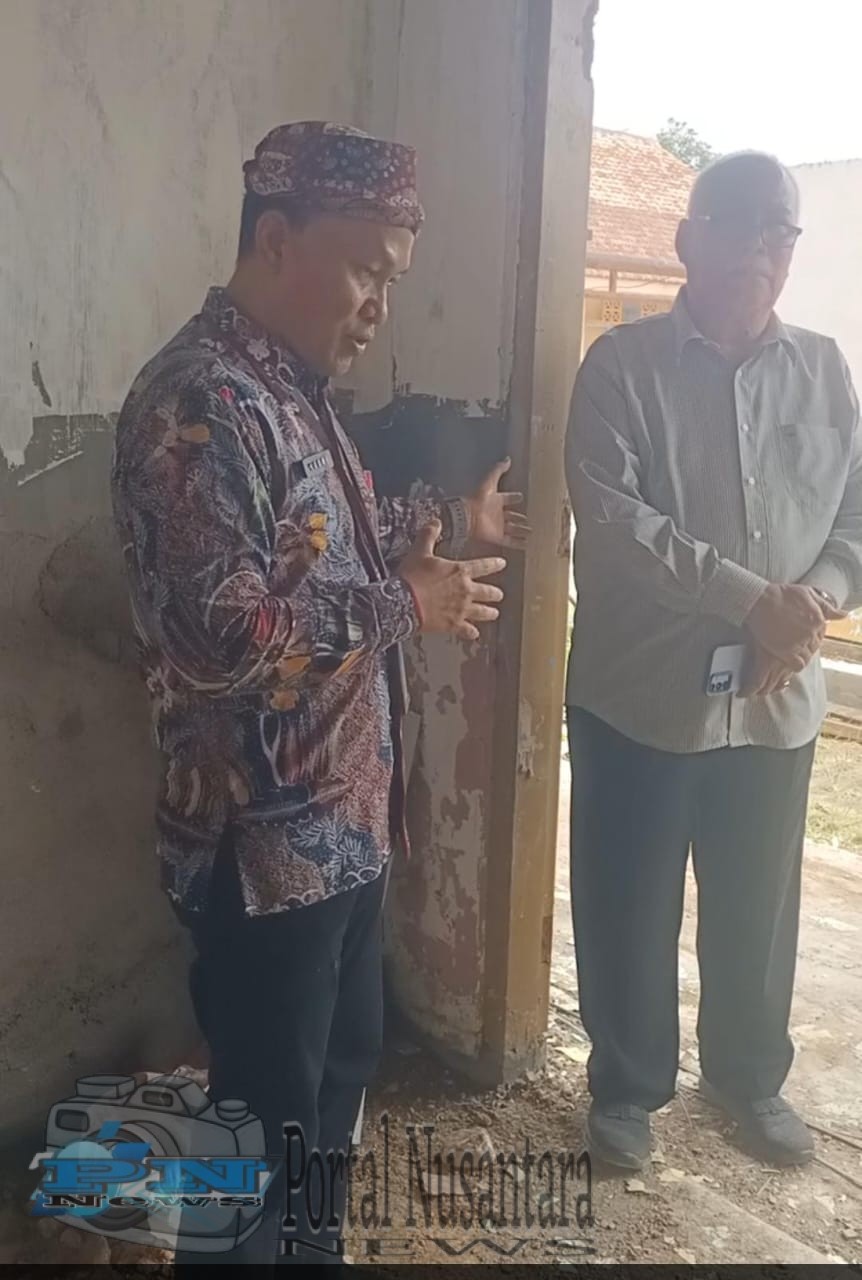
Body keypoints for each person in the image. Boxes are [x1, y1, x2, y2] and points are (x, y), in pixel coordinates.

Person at [111, 120, 528, 1265]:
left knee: (329, 1098)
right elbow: (223, 639)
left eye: (394, 279)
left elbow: (325, 548)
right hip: (261, 857)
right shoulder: (200, 405)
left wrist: (448, 524)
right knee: (258, 1136)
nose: (378, 306)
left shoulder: (291, 388)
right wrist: (408, 604)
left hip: (341, 836)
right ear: (276, 240)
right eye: (363, 270)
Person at [565, 151, 862, 1171]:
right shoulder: (620, 367)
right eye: (736, 223)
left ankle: (747, 1075)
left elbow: (854, 514)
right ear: (688, 237)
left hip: (776, 699)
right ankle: (626, 1086)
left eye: (778, 228)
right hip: (640, 696)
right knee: (627, 900)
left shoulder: (824, 368)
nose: (757, 247)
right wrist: (754, 602)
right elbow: (614, 525)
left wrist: (812, 605)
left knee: (758, 904)